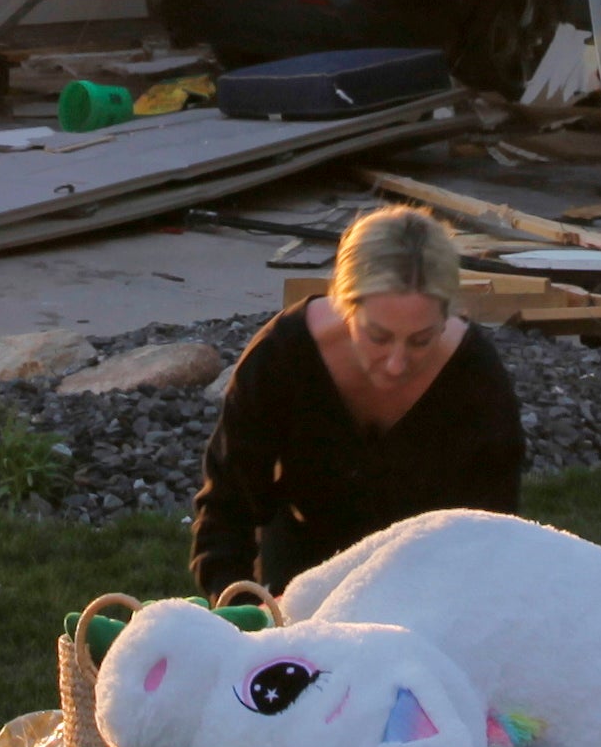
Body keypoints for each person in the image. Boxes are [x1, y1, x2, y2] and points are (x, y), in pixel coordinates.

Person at [186, 204, 525, 597]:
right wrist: (242, 610)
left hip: (427, 589)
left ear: (447, 316)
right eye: (378, 337)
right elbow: (227, 510)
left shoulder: (475, 380)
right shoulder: (284, 355)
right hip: (301, 577)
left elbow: (493, 538)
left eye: (421, 340)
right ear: (345, 306)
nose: (397, 364)